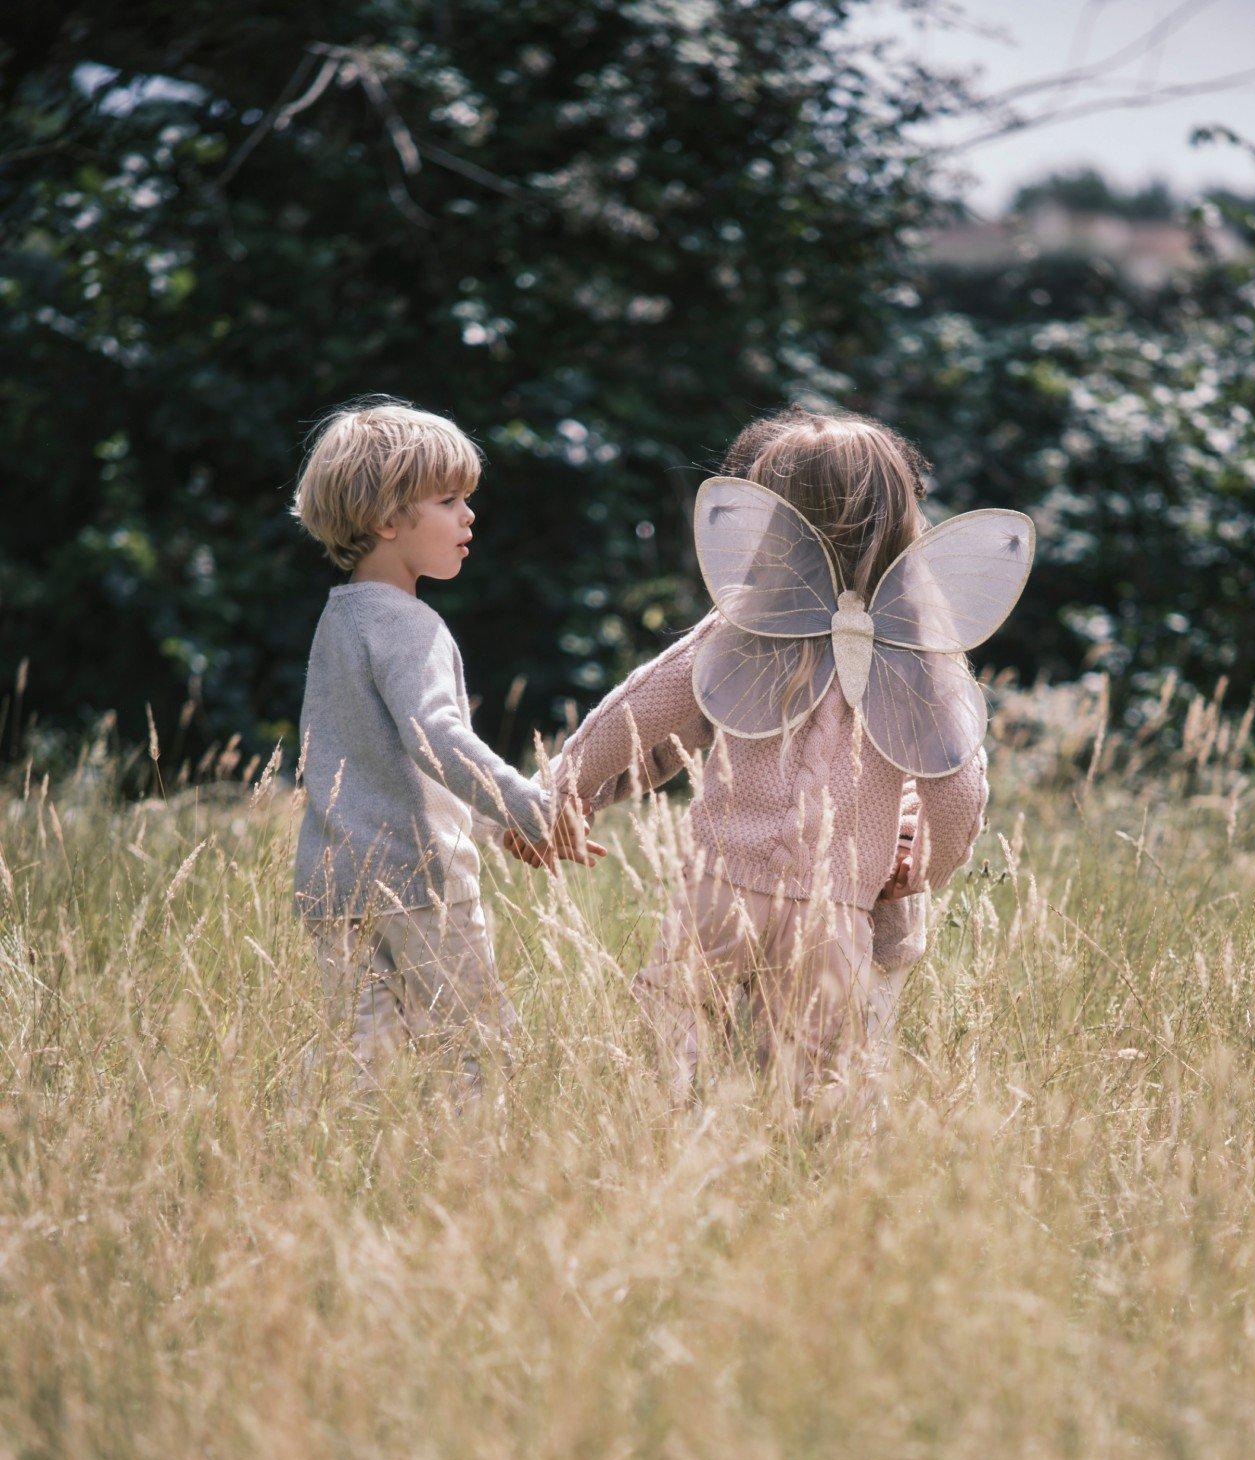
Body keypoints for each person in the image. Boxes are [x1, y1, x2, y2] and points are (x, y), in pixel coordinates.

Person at [550, 407, 1032, 1111]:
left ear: (769, 520)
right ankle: (809, 1188)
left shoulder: (744, 621)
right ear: (903, 521)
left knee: (668, 1042)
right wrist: (923, 867)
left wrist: (566, 788)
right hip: (834, 913)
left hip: (720, 890)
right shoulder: (920, 651)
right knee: (814, 1085)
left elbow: (641, 710)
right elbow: (956, 787)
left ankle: (671, 1157)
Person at [289, 396, 600, 1084]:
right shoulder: (410, 625)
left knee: (360, 1053)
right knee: (476, 1048)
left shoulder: (339, 621)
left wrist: (491, 822)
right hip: (421, 882)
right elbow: (437, 739)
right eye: (450, 500)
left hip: (336, 881)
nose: (469, 516)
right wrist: (532, 808)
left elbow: (386, 765)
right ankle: (477, 1176)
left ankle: (317, 1157)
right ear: (387, 518)